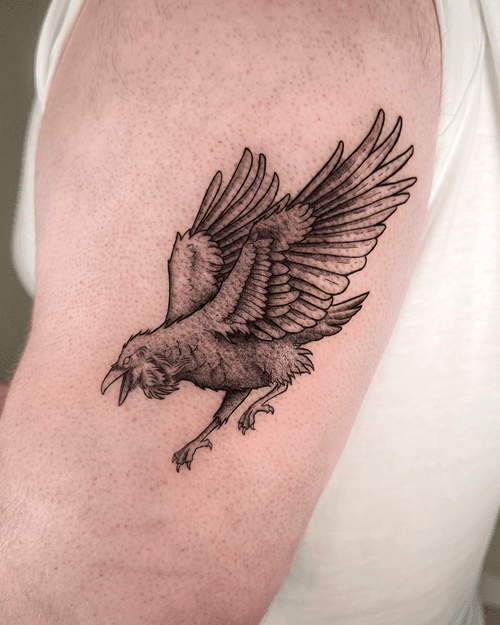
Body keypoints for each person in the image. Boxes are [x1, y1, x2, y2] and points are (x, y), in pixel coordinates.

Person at [1, 0, 499, 623]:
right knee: (192, 250)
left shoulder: (233, 23)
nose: (128, 372)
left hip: (275, 363)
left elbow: (87, 596)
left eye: (134, 359)